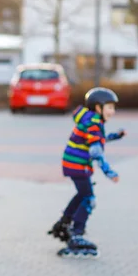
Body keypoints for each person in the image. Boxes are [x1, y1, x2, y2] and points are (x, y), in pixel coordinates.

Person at [48, 87, 126, 258]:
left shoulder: (89, 120)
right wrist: (109, 172)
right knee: (89, 199)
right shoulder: (94, 124)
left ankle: (64, 222)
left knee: (82, 194)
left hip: (72, 163)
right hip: (78, 165)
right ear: (98, 108)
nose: (113, 111)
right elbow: (96, 151)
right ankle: (77, 235)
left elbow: (96, 138)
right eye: (110, 107)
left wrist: (115, 136)